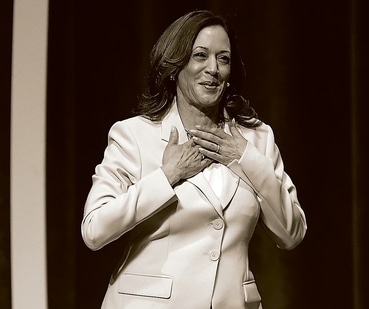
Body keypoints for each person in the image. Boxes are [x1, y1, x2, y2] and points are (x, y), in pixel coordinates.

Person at [81, 10, 307, 309]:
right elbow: (95, 230)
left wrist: (245, 158)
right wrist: (168, 174)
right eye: (200, 55)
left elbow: (291, 233)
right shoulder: (134, 135)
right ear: (175, 66)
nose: (213, 68)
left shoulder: (256, 139)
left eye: (223, 58)